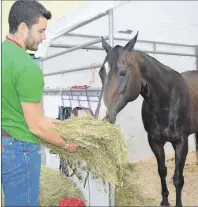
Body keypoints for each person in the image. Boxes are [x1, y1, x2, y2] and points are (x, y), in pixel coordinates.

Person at [2, 0, 78, 206]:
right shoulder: (27, 67)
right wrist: (66, 146)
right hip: (20, 150)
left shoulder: (3, 54)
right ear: (23, 28)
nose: (44, 37)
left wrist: (50, 121)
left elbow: (14, 108)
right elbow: (35, 126)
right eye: (41, 31)